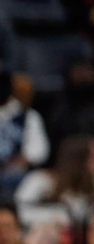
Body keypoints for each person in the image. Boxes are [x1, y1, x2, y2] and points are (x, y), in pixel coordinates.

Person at [0, 71, 50, 201]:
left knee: (15, 178)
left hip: (14, 172)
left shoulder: (28, 116)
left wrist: (21, 161)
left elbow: (39, 151)